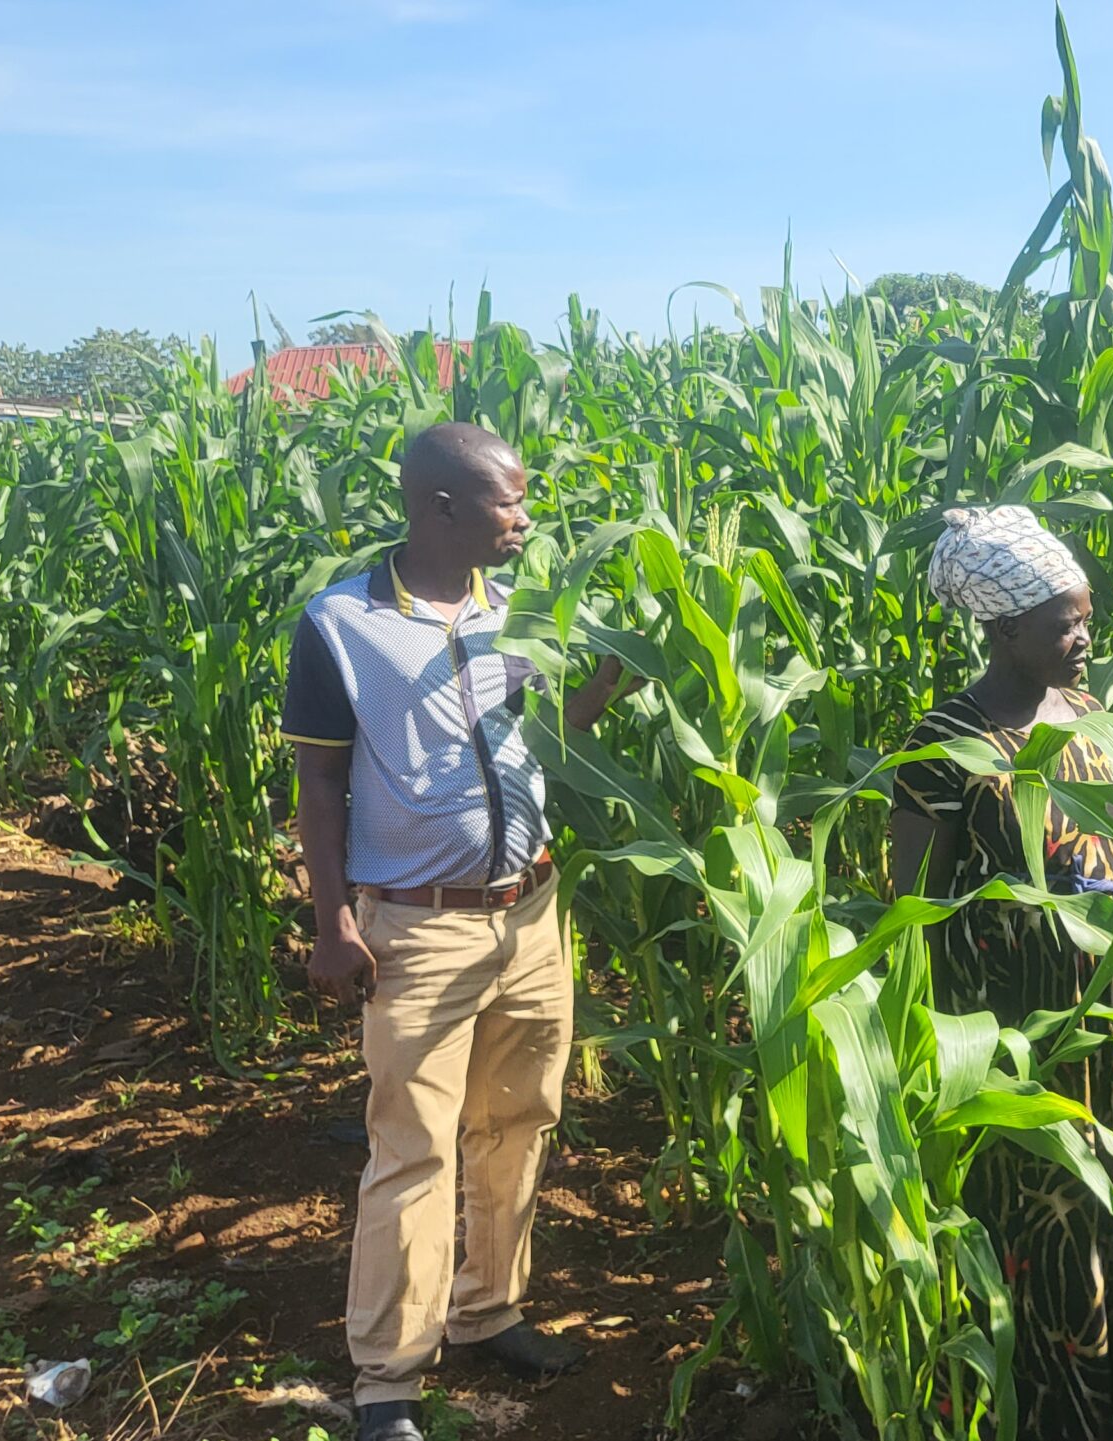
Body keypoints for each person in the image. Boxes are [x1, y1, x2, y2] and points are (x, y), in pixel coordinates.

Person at [282, 422, 639, 1441]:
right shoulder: (341, 623)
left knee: (519, 1120)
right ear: (441, 506)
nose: (526, 519)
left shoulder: (520, 612)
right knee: (413, 1147)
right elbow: (317, 779)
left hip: (528, 910)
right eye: (508, 503)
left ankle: (489, 1311)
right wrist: (332, 923)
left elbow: (539, 737)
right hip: (418, 930)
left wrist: (613, 679)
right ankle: (387, 1377)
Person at [888, 506, 1113, 1441]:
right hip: (1023, 1049)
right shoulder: (946, 739)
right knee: (1057, 1230)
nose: (1083, 636)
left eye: (1086, 615)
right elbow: (911, 910)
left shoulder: (1098, 721)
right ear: (1004, 629)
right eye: (1064, 622)